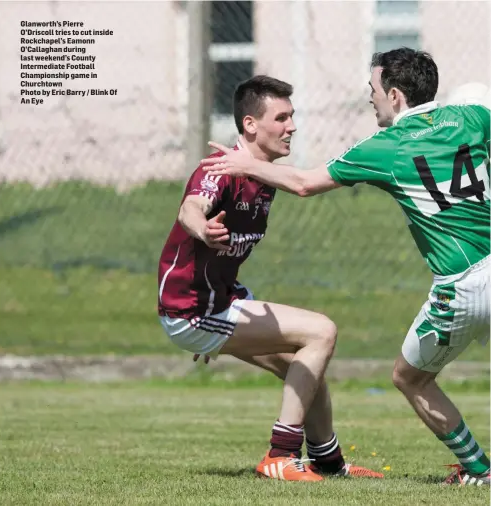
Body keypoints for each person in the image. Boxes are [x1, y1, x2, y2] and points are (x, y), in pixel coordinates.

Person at [200, 49, 491, 487]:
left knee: (410, 378)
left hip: (462, 286)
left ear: (394, 95)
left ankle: (480, 471)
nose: (369, 98)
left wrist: (248, 164)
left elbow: (303, 183)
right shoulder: (472, 118)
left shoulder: (386, 146)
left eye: (373, 90)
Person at [158, 75, 383, 481]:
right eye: (281, 117)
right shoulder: (222, 168)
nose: (291, 126)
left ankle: (328, 463)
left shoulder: (263, 178)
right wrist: (203, 229)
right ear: (250, 125)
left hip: (219, 303)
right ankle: (280, 455)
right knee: (321, 332)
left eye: (292, 116)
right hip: (192, 311)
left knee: (306, 366)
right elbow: (192, 207)